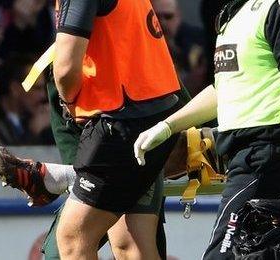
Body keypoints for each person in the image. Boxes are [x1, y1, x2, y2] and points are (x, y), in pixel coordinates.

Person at [133, 0, 280, 258]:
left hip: (267, 151)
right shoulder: (231, 17)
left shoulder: (278, 6)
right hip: (242, 155)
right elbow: (222, 91)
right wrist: (167, 126)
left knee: (222, 255)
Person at [48, 0, 181, 258]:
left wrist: (69, 104)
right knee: (131, 242)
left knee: (73, 237)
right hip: (156, 117)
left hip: (121, 122)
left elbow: (65, 70)